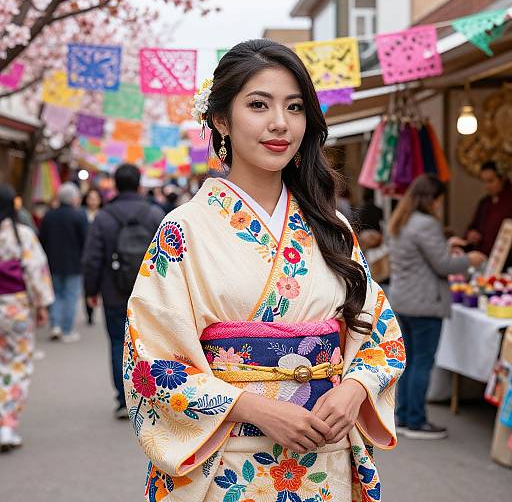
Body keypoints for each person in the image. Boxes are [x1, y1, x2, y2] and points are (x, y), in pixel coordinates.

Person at [123, 39, 404, 502]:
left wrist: (354, 387)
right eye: (258, 104)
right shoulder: (183, 230)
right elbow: (150, 363)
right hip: (227, 461)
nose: (280, 123)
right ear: (220, 119)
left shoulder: (331, 228)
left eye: (294, 107)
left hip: (325, 456)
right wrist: (255, 408)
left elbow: (381, 334)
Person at [388, 174, 486, 440]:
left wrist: (447, 246)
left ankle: (404, 416)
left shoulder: (401, 219)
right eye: (440, 200)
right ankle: (417, 421)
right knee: (422, 362)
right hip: (425, 303)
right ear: (432, 199)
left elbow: (423, 258)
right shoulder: (426, 223)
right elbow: (443, 266)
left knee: (408, 363)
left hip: (404, 301)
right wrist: (471, 259)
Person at [82, 164, 164, 419]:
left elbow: (93, 258)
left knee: (118, 342)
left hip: (114, 291)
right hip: (149, 293)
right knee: (151, 344)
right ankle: (150, 395)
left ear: (115, 186)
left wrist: (91, 290)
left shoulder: (104, 217)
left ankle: (123, 399)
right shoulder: (154, 214)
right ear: (139, 184)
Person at [0, 185, 54, 452]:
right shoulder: (21, 236)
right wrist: (42, 305)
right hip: (16, 307)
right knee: (17, 364)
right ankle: (7, 426)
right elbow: (35, 271)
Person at [40, 182, 88, 343]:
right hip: (74, 264)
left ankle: (55, 325)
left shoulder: (48, 216)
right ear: (74, 198)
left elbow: (42, 240)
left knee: (56, 295)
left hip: (52, 263)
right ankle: (67, 329)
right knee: (71, 296)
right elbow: (85, 242)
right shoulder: (80, 216)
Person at [466, 161, 512, 260]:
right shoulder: (484, 202)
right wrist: (471, 234)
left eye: (491, 181)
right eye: (484, 182)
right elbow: (474, 226)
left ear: (502, 179)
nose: (487, 186)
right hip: (484, 259)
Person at [81, 189, 103, 326]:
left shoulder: (104, 215)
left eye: (95, 198)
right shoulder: (82, 215)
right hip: (86, 254)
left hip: (100, 255)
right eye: (90, 198)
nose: (93, 201)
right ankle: (89, 312)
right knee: (88, 282)